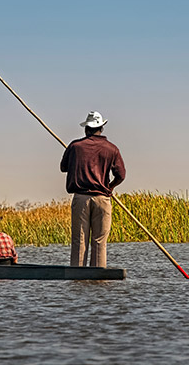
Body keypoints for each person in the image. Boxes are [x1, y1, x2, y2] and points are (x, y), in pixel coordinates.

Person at [60, 111, 126, 267]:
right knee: (99, 241)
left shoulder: (75, 146)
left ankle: (77, 275)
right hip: (102, 199)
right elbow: (121, 175)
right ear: (101, 128)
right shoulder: (112, 149)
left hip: (81, 198)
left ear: (86, 129)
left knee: (79, 240)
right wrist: (110, 187)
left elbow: (63, 167)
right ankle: (98, 276)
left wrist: (74, 156)